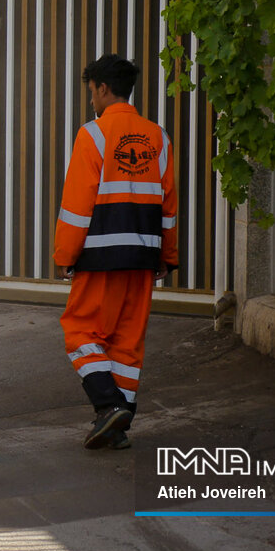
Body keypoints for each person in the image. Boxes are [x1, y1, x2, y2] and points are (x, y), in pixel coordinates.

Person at [54, 54, 178, 450]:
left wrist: (65, 256)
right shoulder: (158, 137)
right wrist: (167, 257)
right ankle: (116, 426)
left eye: (92, 91)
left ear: (103, 89)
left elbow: (77, 204)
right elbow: (169, 206)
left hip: (100, 257)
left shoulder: (92, 135)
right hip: (144, 256)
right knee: (126, 343)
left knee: (80, 333)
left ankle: (107, 407)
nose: (91, 100)